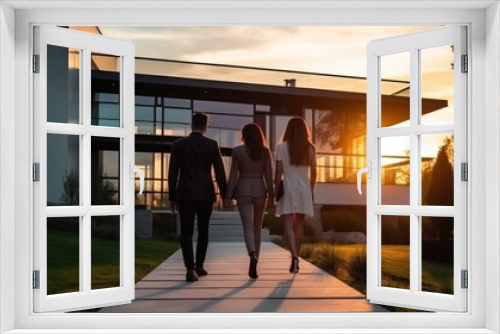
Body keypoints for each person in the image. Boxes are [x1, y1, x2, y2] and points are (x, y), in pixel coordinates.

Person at [168, 113, 227, 282]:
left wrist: (172, 197)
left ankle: (189, 268)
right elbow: (220, 172)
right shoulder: (211, 144)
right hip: (205, 194)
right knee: (203, 231)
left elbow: (173, 173)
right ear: (205, 126)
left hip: (185, 194)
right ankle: (199, 265)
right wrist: (225, 194)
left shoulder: (179, 145)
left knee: (186, 233)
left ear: (191, 124)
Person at [224, 123, 274, 279]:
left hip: (243, 190)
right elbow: (268, 176)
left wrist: (227, 195)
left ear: (243, 135)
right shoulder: (265, 152)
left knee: (247, 225)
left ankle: (252, 253)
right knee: (257, 228)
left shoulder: (237, 151)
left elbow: (233, 175)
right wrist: (272, 196)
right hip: (260, 190)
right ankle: (255, 263)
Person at [274, 117, 316, 274]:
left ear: (288, 130)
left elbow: (278, 172)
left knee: (287, 224)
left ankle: (294, 256)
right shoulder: (311, 148)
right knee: (299, 224)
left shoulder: (281, 147)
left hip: (287, 188)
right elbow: (314, 173)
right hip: (304, 190)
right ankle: (296, 258)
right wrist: (310, 191)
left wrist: (275, 190)